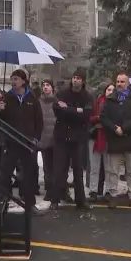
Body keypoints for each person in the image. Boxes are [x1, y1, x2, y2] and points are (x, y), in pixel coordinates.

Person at [0, 69, 44, 215]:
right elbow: (0, 121)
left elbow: (39, 120)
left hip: (27, 143)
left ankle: (30, 204)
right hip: (11, 141)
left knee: (28, 175)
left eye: (16, 79)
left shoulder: (32, 98)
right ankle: (4, 201)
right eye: (12, 79)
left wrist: (36, 138)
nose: (13, 81)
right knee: (5, 173)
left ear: (23, 81)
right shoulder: (7, 98)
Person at [100, 73, 131, 209]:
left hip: (130, 139)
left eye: (122, 82)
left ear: (127, 83)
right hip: (115, 139)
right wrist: (114, 128)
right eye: (118, 82)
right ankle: (113, 196)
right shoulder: (110, 99)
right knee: (113, 171)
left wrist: (124, 128)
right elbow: (103, 117)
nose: (119, 84)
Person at [50, 69, 93, 210]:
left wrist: (68, 109)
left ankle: (80, 200)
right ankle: (55, 199)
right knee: (59, 170)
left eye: (78, 78)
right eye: (74, 77)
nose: (75, 80)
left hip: (78, 137)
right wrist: (76, 110)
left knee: (78, 171)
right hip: (62, 136)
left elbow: (86, 115)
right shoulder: (62, 93)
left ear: (83, 81)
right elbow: (57, 110)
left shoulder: (87, 96)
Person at [37, 80, 58, 199]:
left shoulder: (57, 102)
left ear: (52, 88)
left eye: (47, 85)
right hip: (44, 137)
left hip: (55, 138)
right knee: (46, 166)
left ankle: (56, 190)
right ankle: (49, 189)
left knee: (56, 166)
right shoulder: (39, 102)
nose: (45, 87)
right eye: (43, 85)